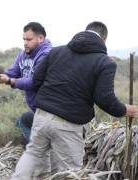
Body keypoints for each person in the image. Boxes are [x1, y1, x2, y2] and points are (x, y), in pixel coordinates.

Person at [11, 21, 138, 179]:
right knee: (69, 172)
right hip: (68, 125)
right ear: (104, 39)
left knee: (33, 154)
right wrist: (125, 110)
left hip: (41, 116)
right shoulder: (104, 62)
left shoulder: (56, 52)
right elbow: (104, 99)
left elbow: (36, 80)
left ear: (84, 33)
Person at [0, 22, 52, 145]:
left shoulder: (46, 55)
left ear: (41, 38)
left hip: (49, 111)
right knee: (21, 123)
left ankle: (36, 152)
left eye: (29, 39)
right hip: (36, 108)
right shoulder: (24, 54)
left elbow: (35, 81)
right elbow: (13, 71)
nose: (25, 43)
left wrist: (11, 81)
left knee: (24, 125)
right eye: (24, 39)